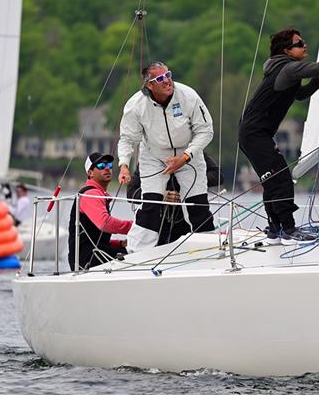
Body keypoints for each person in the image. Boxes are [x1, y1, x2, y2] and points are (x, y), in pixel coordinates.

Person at [238, 28, 319, 245]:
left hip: (253, 133)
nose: (305, 45)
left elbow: (298, 95)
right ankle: (289, 231)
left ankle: (275, 230)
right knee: (280, 180)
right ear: (287, 50)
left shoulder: (283, 69)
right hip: (254, 134)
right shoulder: (288, 68)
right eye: (299, 43)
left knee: (273, 181)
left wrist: (317, 82)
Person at [118, 62, 216, 253]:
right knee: (151, 206)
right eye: (160, 78)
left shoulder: (188, 96)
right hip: (154, 156)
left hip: (187, 154)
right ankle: (136, 253)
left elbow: (206, 130)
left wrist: (186, 157)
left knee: (198, 206)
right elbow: (127, 139)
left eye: (168, 75)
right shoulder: (136, 105)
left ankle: (208, 249)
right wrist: (123, 165)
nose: (167, 80)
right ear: (149, 85)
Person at [127, 152, 224, 245]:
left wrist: (189, 180)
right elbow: (131, 192)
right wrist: (160, 196)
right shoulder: (150, 159)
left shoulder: (193, 154)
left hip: (187, 222)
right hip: (158, 223)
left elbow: (217, 175)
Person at [68, 152, 133, 271]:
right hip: (87, 259)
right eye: (102, 166)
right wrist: (135, 227)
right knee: (136, 256)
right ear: (90, 173)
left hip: (92, 253)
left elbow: (95, 239)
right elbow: (104, 223)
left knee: (132, 250)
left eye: (109, 165)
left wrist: (119, 243)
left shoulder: (98, 194)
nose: (107, 168)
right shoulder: (91, 194)